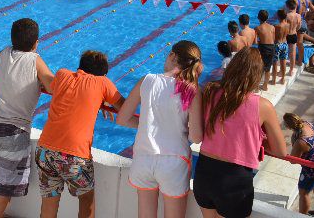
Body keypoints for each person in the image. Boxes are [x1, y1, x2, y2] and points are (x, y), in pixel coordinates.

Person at [189, 47, 287, 218]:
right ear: (258, 74)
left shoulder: (210, 92)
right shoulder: (263, 106)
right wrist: (258, 140)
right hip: (235, 182)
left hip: (204, 174)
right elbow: (281, 151)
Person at [0, 19, 54, 218]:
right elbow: (53, 87)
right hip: (15, 132)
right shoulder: (35, 61)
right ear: (36, 43)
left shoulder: (4, 52)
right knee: (6, 184)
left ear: (12, 40)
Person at [116, 41, 202, 218]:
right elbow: (196, 136)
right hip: (174, 163)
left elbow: (123, 119)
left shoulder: (146, 81)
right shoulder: (192, 90)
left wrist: (149, 124)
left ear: (172, 56)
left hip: (143, 160)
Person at [35, 50, 124, 218]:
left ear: (80, 67)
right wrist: (103, 98)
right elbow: (123, 107)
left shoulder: (62, 74)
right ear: (103, 74)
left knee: (49, 201)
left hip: (45, 152)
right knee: (87, 200)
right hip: (74, 157)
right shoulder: (104, 83)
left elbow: (52, 86)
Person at [283, 113, 314, 217]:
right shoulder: (307, 124)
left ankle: (301, 216)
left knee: (303, 193)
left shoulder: (300, 142)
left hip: (312, 169)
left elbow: (293, 160)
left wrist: (292, 145)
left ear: (289, 126)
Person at [254, 9, 275, 91]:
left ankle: (256, 87)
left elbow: (255, 42)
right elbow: (273, 39)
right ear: (268, 18)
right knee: (268, 68)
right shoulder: (272, 27)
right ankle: (265, 85)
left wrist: (260, 41)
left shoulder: (257, 28)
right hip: (272, 47)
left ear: (258, 18)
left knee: (260, 68)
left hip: (263, 48)